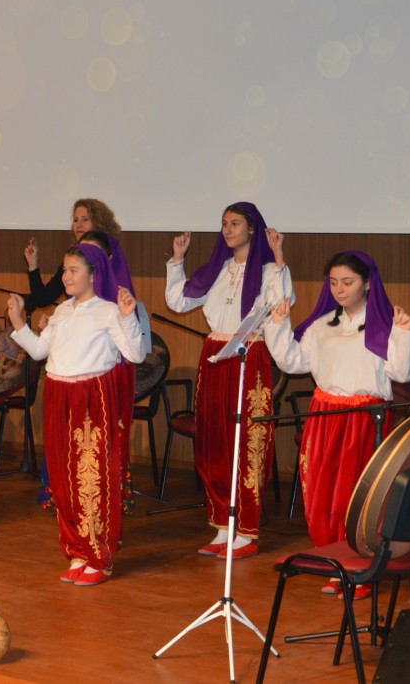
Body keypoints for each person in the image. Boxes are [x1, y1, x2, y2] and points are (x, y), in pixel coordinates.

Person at [265, 250, 410, 599]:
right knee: (321, 497)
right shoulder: (322, 325)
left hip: (365, 419)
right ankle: (335, 563)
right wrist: (277, 326)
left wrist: (406, 333)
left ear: (366, 284)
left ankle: (362, 569)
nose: (339, 289)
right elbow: (293, 362)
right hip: (325, 416)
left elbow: (403, 373)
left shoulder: (385, 325)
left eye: (347, 282)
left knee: (356, 498)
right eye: (333, 282)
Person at [7, 243, 145, 585]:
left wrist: (129, 319)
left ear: (93, 274)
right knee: (63, 478)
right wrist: (18, 322)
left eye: (73, 270)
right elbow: (40, 350)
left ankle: (99, 556)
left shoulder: (109, 311)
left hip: (90, 400)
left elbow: (136, 355)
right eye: (65, 269)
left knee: (92, 478)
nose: (66, 276)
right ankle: (77, 550)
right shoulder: (61, 312)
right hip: (58, 396)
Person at [165, 201, 293, 559]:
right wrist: (177, 261)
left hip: (249, 356)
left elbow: (281, 303)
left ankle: (247, 532)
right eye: (224, 223)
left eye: (235, 223)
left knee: (246, 441)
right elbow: (178, 301)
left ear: (252, 228)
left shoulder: (269, 269)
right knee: (214, 440)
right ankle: (223, 525)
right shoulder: (217, 269)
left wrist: (279, 256)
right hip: (215, 356)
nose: (228, 229)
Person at [24, 198, 123, 310]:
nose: (78, 225)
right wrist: (33, 265)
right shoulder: (73, 259)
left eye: (85, 219)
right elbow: (42, 299)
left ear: (98, 224)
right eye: (76, 220)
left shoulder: (109, 255)